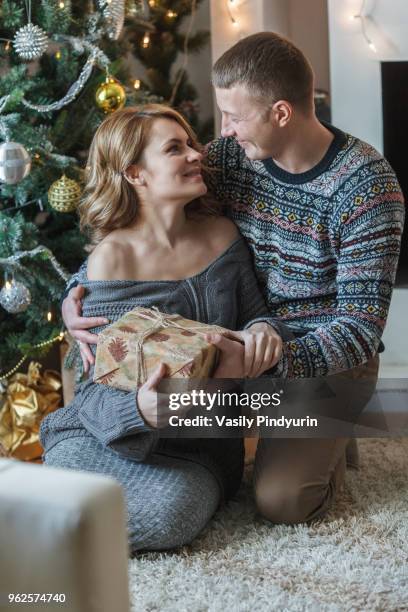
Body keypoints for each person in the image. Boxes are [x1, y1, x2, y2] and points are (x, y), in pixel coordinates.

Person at [63, 33, 405, 526]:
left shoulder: (366, 188)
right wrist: (73, 295)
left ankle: (329, 431)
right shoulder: (230, 159)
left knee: (282, 502)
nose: (218, 134)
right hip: (245, 338)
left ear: (281, 113)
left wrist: (266, 359)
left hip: (322, 354)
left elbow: (360, 329)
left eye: (235, 117)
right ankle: (305, 433)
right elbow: (148, 227)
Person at [40, 104, 289, 553]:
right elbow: (94, 386)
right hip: (102, 434)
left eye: (191, 143)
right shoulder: (112, 259)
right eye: (175, 149)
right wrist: (140, 411)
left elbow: (255, 312)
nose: (196, 155)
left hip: (199, 446)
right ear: (135, 174)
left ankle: (55, 534)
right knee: (63, 510)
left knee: (165, 518)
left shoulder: (223, 236)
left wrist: (263, 330)